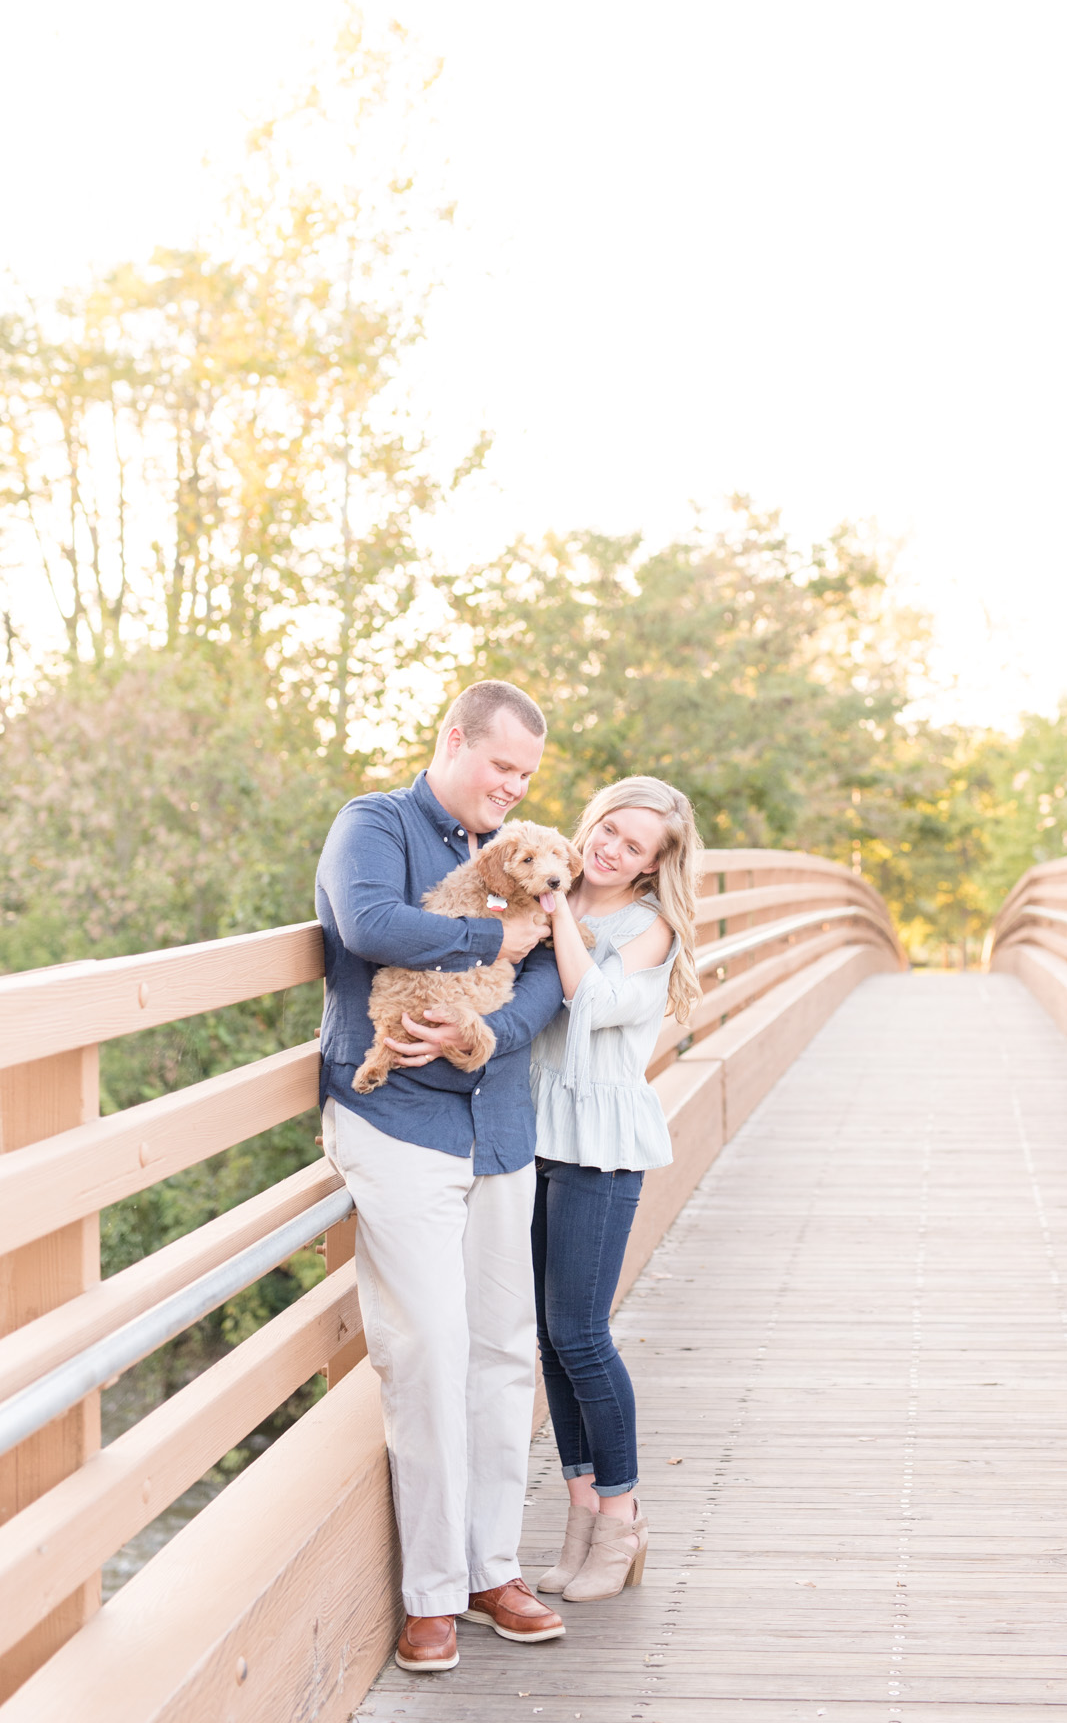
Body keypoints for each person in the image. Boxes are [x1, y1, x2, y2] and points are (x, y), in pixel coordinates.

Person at [315, 680, 569, 1674]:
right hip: (395, 1120)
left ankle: (489, 1566)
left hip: (498, 1116)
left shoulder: (531, 854)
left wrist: (483, 1029)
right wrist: (486, 936)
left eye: (526, 776)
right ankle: (429, 1593)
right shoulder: (374, 823)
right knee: (425, 1346)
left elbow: (551, 969)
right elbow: (370, 924)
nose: (512, 786)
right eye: (501, 765)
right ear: (452, 741)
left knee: (505, 1346)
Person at [528, 776, 702, 1602]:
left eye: (633, 846)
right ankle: (578, 1515)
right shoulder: (535, 891)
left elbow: (590, 1003)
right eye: (607, 829)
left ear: (651, 866)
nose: (610, 848)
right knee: (548, 1340)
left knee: (581, 1332)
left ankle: (622, 1517)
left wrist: (556, 906)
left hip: (600, 1143)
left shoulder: (647, 925)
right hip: (530, 1131)